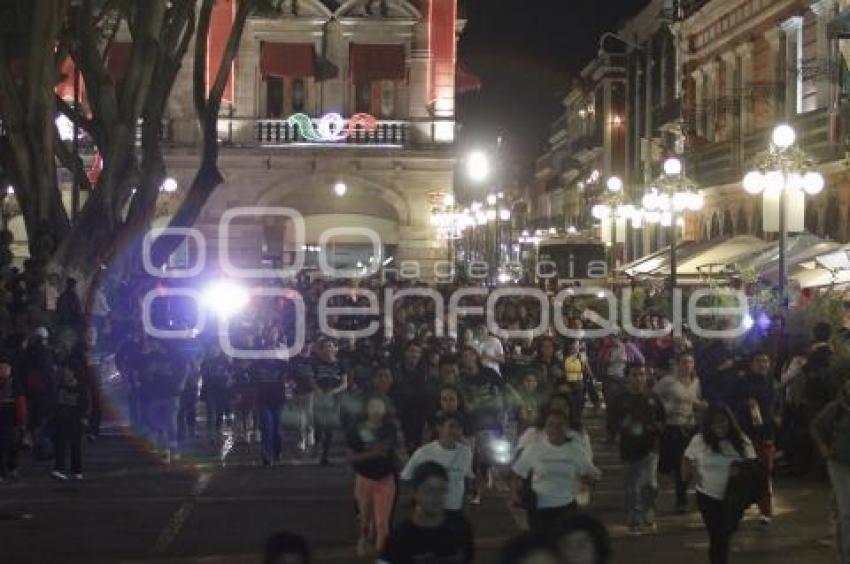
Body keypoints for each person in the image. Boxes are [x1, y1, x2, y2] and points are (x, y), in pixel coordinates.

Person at [683, 404, 756, 564]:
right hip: (708, 496)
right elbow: (687, 459)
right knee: (717, 535)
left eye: (723, 422)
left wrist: (740, 470)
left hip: (734, 498)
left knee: (726, 534)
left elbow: (753, 464)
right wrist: (691, 477)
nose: (720, 426)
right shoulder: (700, 440)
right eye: (715, 423)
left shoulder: (741, 440)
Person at [512, 409, 601, 538]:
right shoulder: (535, 449)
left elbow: (592, 474)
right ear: (545, 428)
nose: (555, 429)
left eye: (560, 425)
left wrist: (586, 480)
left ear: (567, 428)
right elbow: (517, 473)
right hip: (539, 508)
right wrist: (515, 495)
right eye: (551, 425)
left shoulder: (575, 450)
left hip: (566, 507)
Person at [379, 461, 475, 564]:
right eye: (429, 490)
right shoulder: (399, 537)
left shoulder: (460, 527)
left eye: (442, 490)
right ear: (415, 493)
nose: (436, 496)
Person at [345, 395, 405, 556]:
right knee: (364, 519)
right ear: (366, 408)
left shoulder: (390, 427)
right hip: (364, 479)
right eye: (373, 406)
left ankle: (381, 554)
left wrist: (363, 454)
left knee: (382, 523)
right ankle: (364, 538)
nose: (376, 411)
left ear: (385, 409)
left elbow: (384, 449)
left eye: (380, 407)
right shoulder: (355, 428)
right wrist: (373, 453)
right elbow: (350, 456)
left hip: (385, 478)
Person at [725, 351, 777, 525]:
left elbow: (775, 406)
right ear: (751, 363)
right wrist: (745, 405)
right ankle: (738, 509)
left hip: (766, 434)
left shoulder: (770, 382)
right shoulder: (741, 383)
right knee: (742, 474)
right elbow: (729, 405)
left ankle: (766, 511)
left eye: (766, 360)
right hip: (745, 434)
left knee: (764, 473)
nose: (763, 364)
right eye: (759, 361)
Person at [619, 363, 665, 535]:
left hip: (650, 447)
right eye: (634, 374)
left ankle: (648, 510)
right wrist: (622, 426)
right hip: (630, 449)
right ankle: (634, 519)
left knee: (651, 484)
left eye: (642, 374)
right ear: (628, 377)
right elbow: (612, 423)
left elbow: (662, 419)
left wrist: (657, 427)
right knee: (633, 486)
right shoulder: (621, 399)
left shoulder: (653, 397)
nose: (639, 378)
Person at [654, 352, 703, 513]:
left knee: (687, 462)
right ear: (678, 364)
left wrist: (704, 406)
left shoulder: (695, 382)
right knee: (674, 464)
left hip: (690, 426)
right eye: (684, 362)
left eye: (690, 362)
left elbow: (694, 400)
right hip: (672, 426)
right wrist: (662, 412)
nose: (687, 365)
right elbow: (654, 396)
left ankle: (682, 497)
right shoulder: (668, 382)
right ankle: (672, 496)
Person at [401, 412, 474, 519]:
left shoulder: (466, 452)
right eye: (451, 426)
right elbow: (406, 477)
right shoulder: (424, 453)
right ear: (439, 428)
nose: (455, 431)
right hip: (430, 512)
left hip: (455, 510)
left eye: (459, 427)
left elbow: (466, 478)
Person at [810, 377, 850, 564]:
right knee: (847, 513)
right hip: (840, 465)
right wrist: (824, 448)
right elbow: (816, 426)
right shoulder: (836, 409)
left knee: (841, 506)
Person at [311, 337, 348, 466]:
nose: (328, 348)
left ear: (335, 349)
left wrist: (333, 392)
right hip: (320, 398)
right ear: (321, 350)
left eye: (331, 346)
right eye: (326, 346)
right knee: (319, 425)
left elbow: (344, 384)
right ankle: (317, 443)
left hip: (333, 399)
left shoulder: (340, 364)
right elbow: (312, 380)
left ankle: (325, 455)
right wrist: (318, 390)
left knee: (329, 428)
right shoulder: (316, 363)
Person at [51, 365, 91, 481]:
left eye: (68, 371)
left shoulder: (81, 388)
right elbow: (55, 403)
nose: (65, 373)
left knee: (75, 446)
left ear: (74, 373)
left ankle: (76, 470)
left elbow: (86, 403)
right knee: (60, 445)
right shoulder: (60, 386)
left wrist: (84, 416)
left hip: (75, 420)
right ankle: (59, 469)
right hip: (62, 419)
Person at [199, 342, 232, 444]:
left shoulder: (225, 361)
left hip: (221, 390)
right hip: (210, 390)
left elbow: (231, 372)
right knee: (211, 413)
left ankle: (217, 431)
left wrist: (228, 382)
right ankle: (211, 435)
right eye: (212, 348)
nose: (214, 350)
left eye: (216, 348)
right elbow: (202, 374)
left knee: (219, 413)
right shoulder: (206, 361)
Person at [0, 360, 26, 482]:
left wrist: (22, 421)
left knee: (14, 445)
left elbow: (21, 402)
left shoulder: (15, 383)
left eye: (6, 368)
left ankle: (12, 468)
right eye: (1, 368)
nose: (3, 370)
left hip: (12, 418)